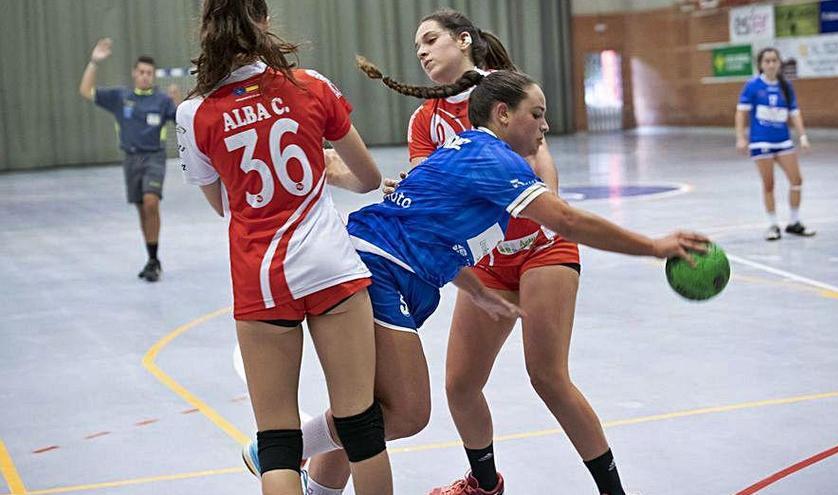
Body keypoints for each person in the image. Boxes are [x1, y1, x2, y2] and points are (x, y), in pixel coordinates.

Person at [244, 69, 709, 495]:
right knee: (406, 411)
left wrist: (479, 292)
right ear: (503, 114)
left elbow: (436, 231)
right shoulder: (494, 157)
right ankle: (278, 448)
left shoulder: (469, 150)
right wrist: (654, 246)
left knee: (372, 408)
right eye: (537, 115)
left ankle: (303, 475)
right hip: (377, 266)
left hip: (385, 267)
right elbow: (566, 220)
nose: (545, 126)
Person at [365, 10, 629, 494]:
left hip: (539, 246)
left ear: (463, 41)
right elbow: (431, 191)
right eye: (416, 46)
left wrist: (545, 210)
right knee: (460, 385)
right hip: (485, 260)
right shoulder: (426, 118)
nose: (421, 51)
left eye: (430, 40)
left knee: (547, 376)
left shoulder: (500, 91)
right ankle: (484, 484)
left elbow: (539, 153)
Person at [175, 1, 393, 494]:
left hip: (262, 278)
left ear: (207, 28)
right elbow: (369, 178)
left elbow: (222, 205)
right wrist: (323, 167)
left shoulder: (195, 112)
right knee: (361, 426)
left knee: (276, 438)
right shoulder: (310, 85)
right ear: (264, 20)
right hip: (330, 268)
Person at [79, 38, 182, 281]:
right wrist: (94, 61)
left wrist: (178, 99)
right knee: (141, 210)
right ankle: (152, 258)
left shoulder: (162, 100)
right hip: (131, 160)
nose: (146, 76)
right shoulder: (120, 96)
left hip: (154, 158)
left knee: (151, 202)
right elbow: (86, 91)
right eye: (142, 72)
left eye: (150, 73)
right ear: (134, 73)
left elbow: (182, 118)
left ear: (154, 76)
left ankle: (154, 259)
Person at [735, 47, 816, 241]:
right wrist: (740, 137)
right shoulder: (752, 86)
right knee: (769, 184)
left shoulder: (786, 86)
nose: (771, 64)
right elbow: (741, 112)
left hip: (783, 141)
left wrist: (803, 136)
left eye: (774, 61)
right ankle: (773, 225)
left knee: (796, 180)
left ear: (779, 63)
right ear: (761, 65)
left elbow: (794, 113)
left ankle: (794, 222)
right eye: (767, 61)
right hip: (761, 141)